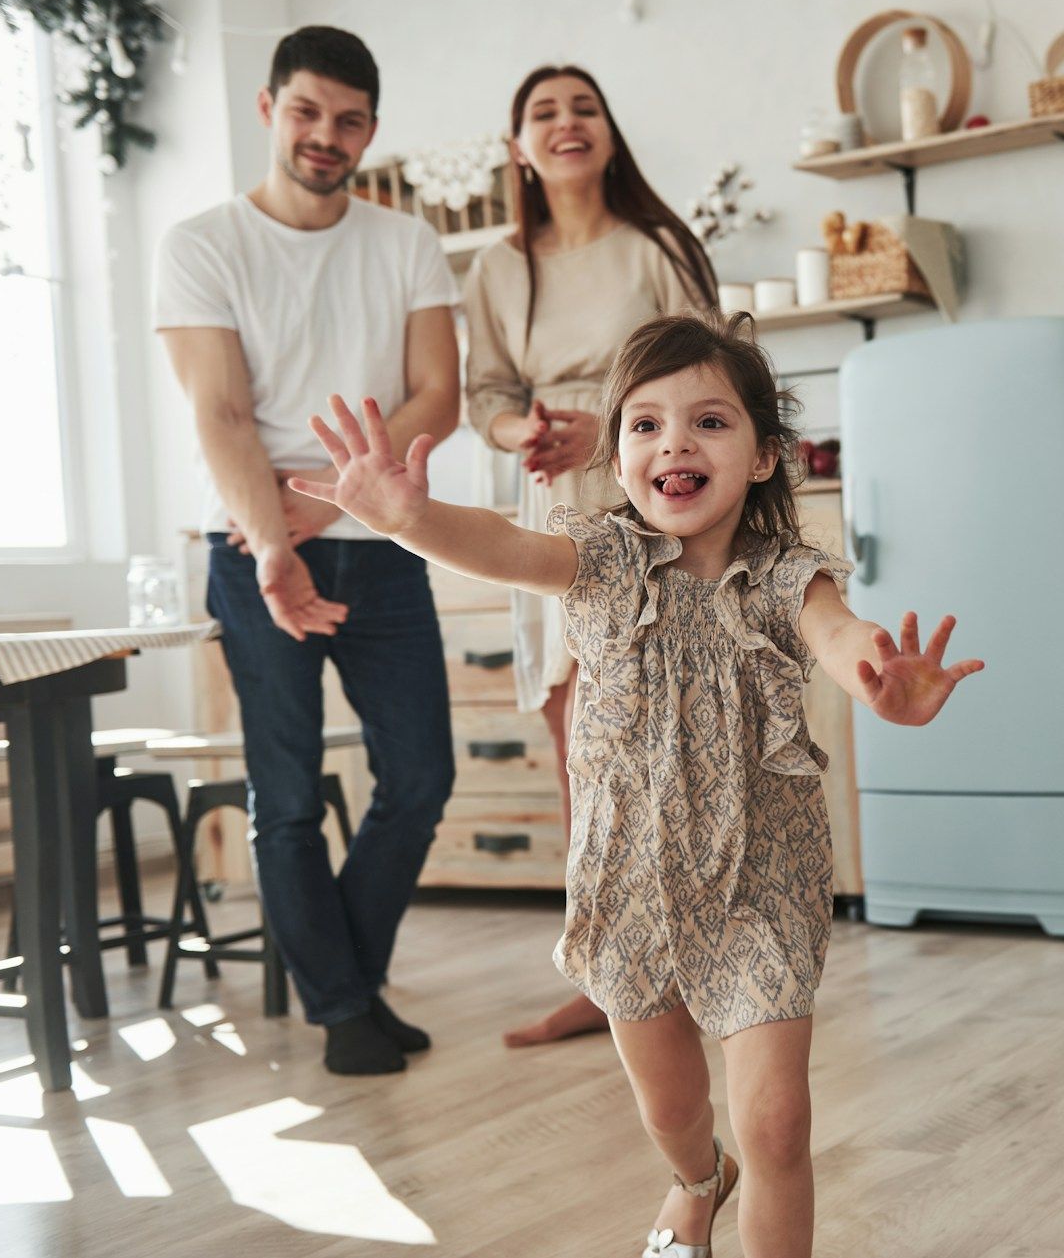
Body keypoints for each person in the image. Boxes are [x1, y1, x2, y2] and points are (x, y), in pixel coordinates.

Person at [289, 313, 983, 1256]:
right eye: (645, 425)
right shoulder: (602, 562)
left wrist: (879, 676)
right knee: (672, 1107)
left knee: (778, 1124)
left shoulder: (784, 576)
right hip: (627, 884)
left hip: (761, 883)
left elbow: (839, 632)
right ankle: (698, 1178)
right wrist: (410, 517)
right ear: (617, 458)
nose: (675, 443)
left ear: (766, 455)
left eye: (710, 421)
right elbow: (496, 543)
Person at [153, 26, 459, 1076]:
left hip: (378, 541)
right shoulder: (201, 245)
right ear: (269, 108)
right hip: (250, 551)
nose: (326, 136)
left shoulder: (407, 242)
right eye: (307, 111)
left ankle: (348, 986)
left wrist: (326, 507)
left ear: (372, 128)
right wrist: (278, 546)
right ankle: (344, 1011)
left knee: (419, 777)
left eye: (350, 120)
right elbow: (223, 415)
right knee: (282, 797)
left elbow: (438, 399)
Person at [461, 64, 718, 1048]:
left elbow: (712, 375)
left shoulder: (655, 248)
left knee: (667, 743)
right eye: (543, 112)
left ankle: (698, 963)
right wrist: (518, 432)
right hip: (550, 510)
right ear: (518, 144)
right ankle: (613, 975)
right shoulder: (496, 268)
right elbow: (484, 391)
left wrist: (610, 433)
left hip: (655, 498)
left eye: (585, 108)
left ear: (609, 132)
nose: (567, 124)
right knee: (580, 750)